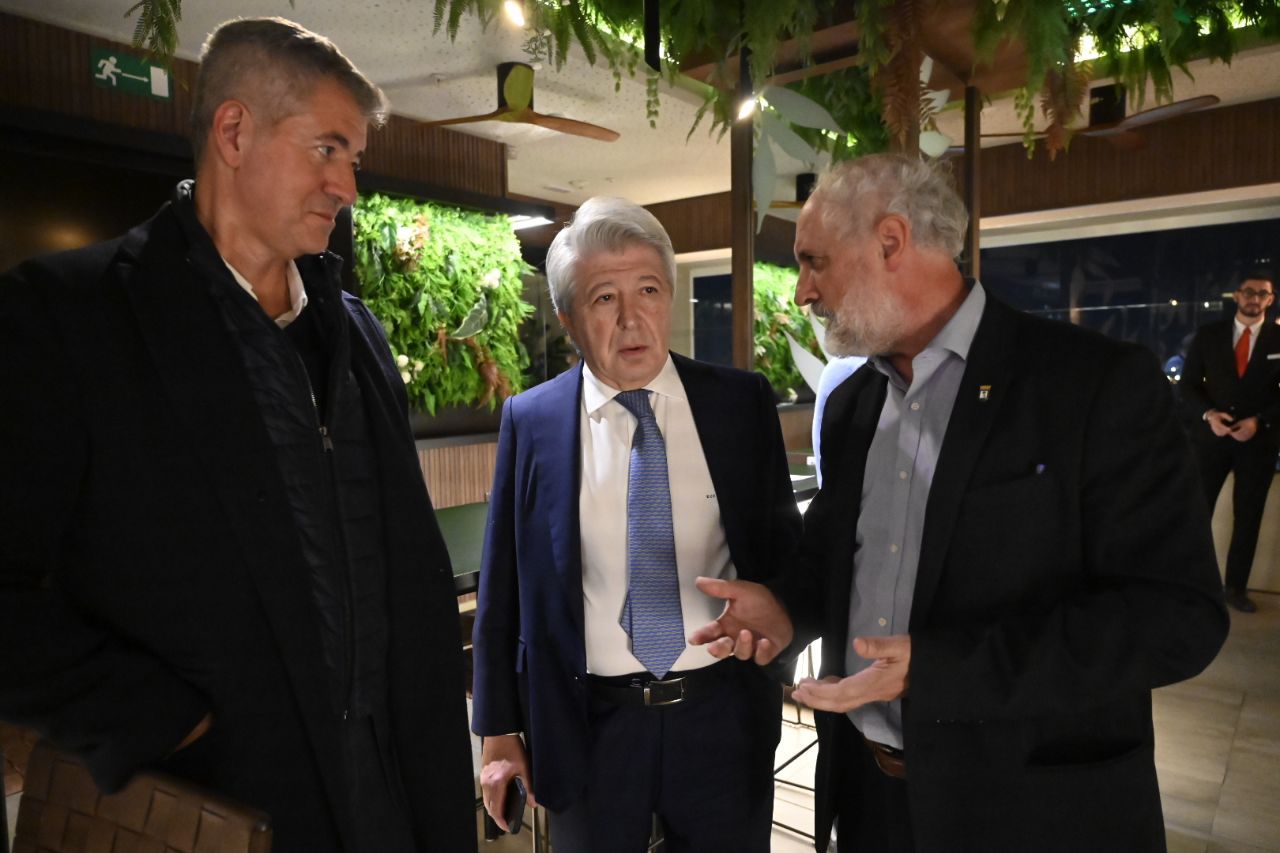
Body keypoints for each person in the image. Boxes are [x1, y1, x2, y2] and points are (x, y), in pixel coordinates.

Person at [0, 18, 475, 853]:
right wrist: (161, 719)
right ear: (234, 131)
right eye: (327, 149)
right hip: (221, 810)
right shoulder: (68, 320)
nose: (349, 188)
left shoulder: (355, 333)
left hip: (396, 804)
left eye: (353, 159)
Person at [690, 154, 1229, 852]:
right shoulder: (856, 403)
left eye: (814, 262)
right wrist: (787, 606)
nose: (801, 293)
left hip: (1031, 810)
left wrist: (937, 670)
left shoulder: (1090, 384)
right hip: (870, 800)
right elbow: (829, 554)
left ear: (891, 241)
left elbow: (1177, 619)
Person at [470, 197, 802, 852]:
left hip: (721, 717)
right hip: (586, 724)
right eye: (603, 298)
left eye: (648, 289)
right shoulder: (530, 422)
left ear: (670, 296)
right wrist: (497, 726)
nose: (632, 318)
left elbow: (787, 554)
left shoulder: (741, 404)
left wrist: (782, 610)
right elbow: (503, 586)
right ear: (568, 317)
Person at [1181, 271, 1280, 613]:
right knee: (1196, 512)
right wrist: (1209, 415)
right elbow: (1188, 385)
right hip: (1212, 440)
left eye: (1262, 294)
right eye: (1249, 292)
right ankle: (1190, 583)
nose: (1254, 298)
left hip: (1258, 442)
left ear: (1270, 300)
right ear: (1237, 295)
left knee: (1248, 516)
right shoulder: (1209, 336)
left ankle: (1236, 588)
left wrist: (1260, 420)